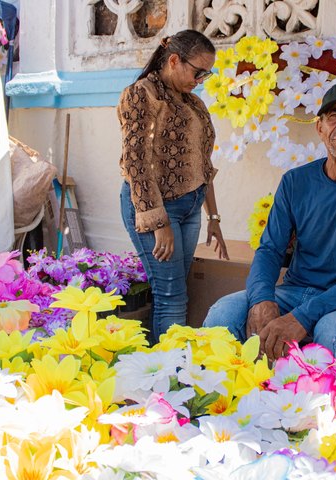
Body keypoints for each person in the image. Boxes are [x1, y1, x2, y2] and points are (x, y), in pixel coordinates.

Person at [203, 82, 336, 361]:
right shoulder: (295, 181)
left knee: (333, 330)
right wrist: (263, 299)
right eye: (334, 115)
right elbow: (270, 250)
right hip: (295, 292)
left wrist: (302, 316)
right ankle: (221, 400)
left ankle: (329, 405)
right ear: (320, 128)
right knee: (223, 314)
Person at [118, 30, 229, 342]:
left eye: (207, 74)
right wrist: (158, 222)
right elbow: (135, 161)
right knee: (171, 295)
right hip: (155, 207)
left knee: (178, 290)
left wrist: (214, 218)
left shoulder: (192, 103)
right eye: (198, 71)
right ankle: (168, 380)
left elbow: (203, 166)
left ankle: (170, 370)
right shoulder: (143, 94)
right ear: (174, 60)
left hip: (191, 208)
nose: (201, 80)